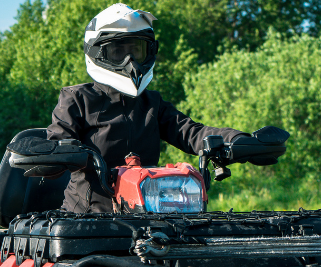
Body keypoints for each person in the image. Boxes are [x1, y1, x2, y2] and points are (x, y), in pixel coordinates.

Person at [48, 3, 247, 213]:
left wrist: (237, 140)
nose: (130, 62)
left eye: (136, 50)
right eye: (118, 51)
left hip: (147, 216)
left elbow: (191, 132)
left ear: (149, 51)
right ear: (98, 53)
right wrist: (52, 154)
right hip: (84, 220)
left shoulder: (152, 103)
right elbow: (56, 141)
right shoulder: (77, 99)